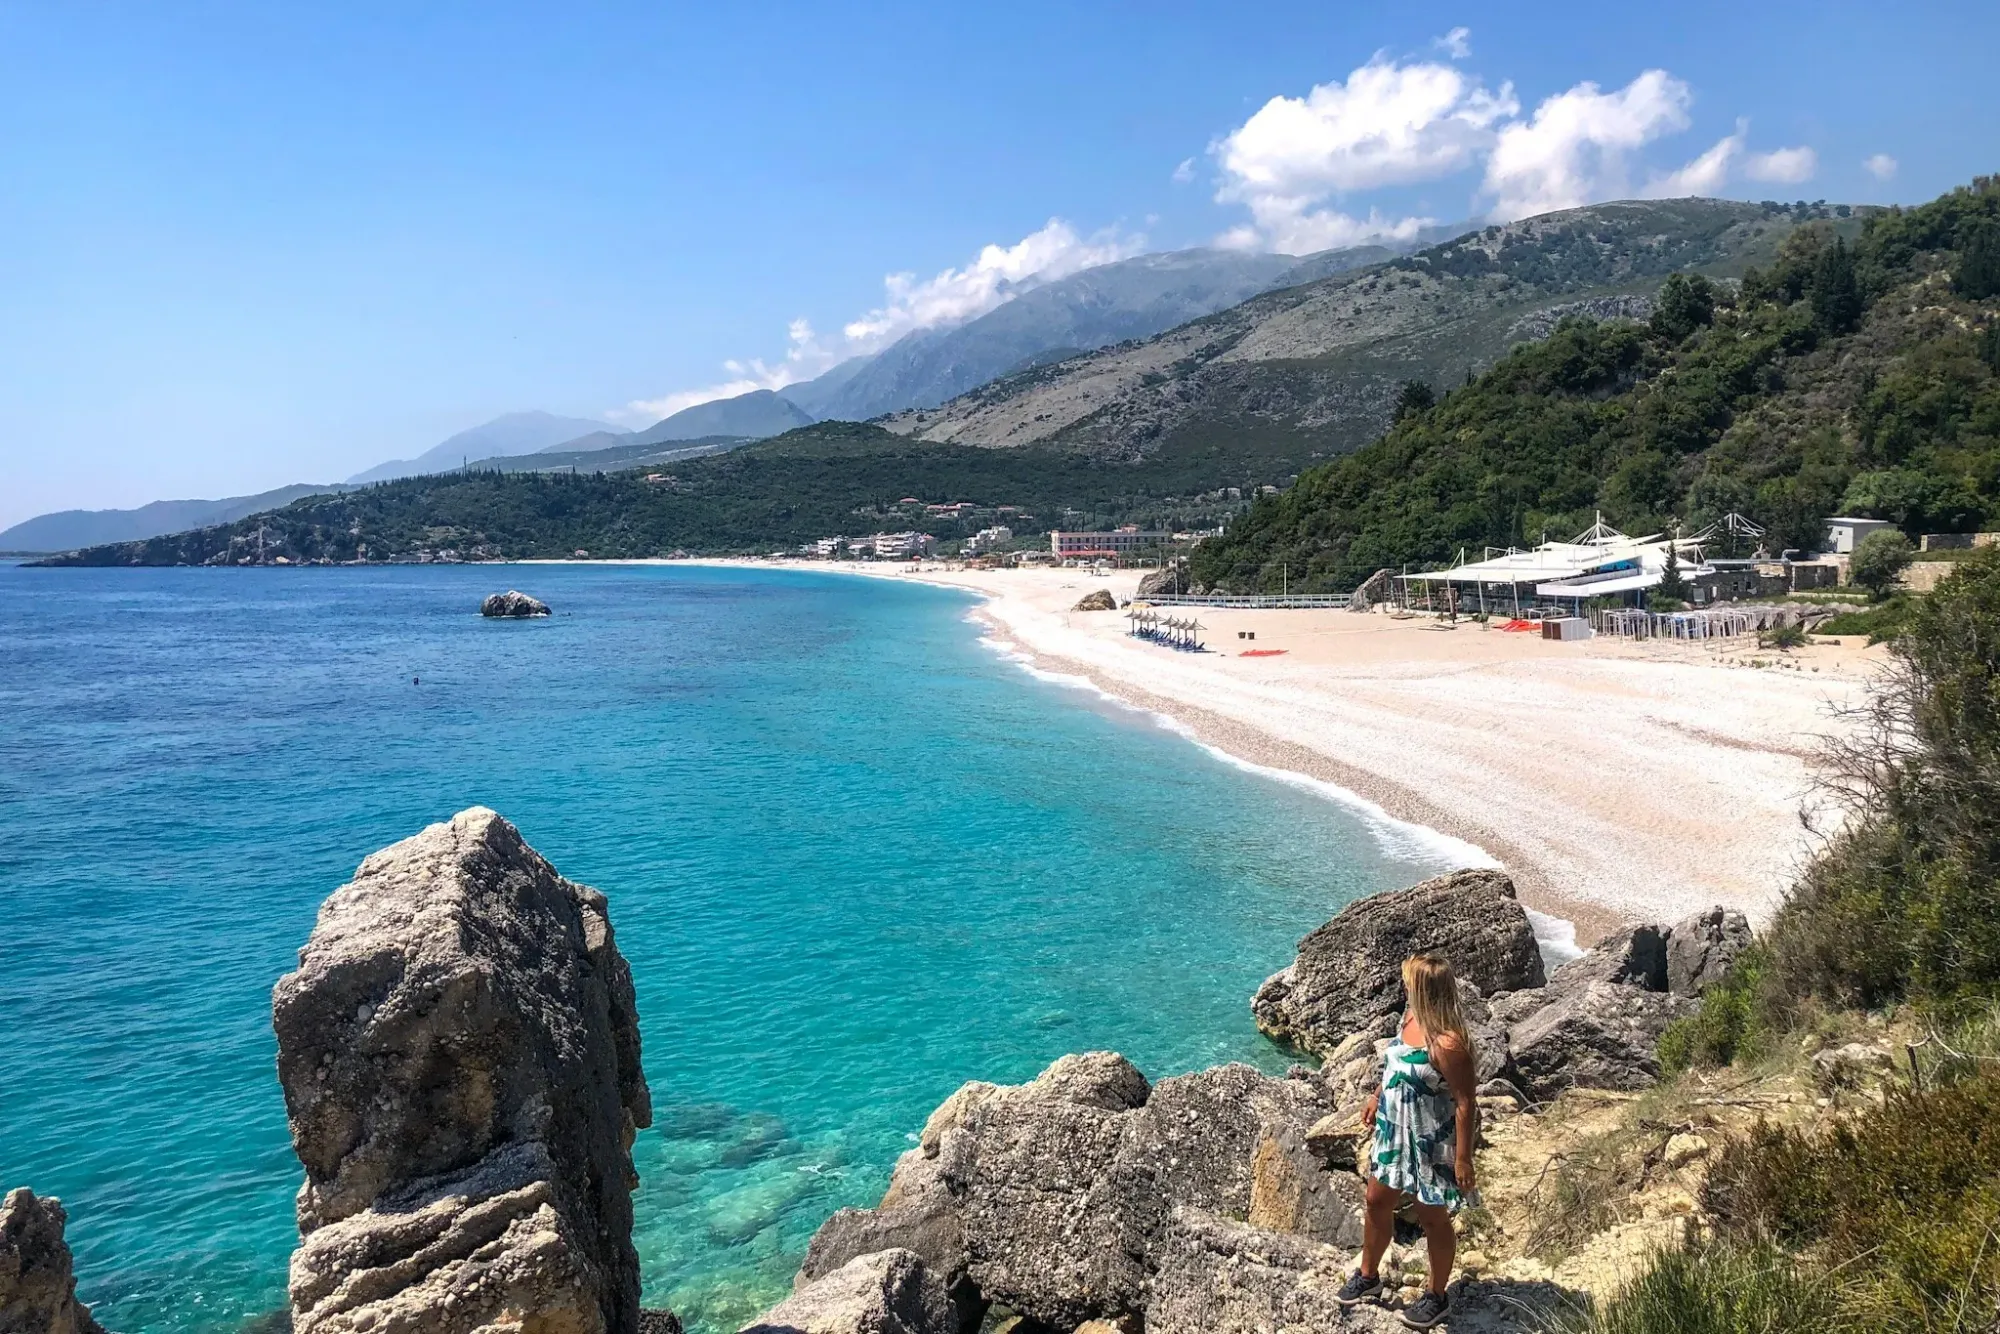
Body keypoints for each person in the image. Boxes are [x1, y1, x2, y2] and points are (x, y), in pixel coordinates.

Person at [1337, 953, 1481, 1329]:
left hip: (1429, 1140)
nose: (1403, 986)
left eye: (1408, 982)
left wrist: (1463, 1158)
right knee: (1375, 1200)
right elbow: (1394, 1063)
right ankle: (1368, 1276)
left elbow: (1466, 1102)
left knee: (1431, 1218)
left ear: (1425, 989)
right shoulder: (1410, 1017)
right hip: (1393, 1131)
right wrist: (1375, 1095)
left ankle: (1437, 1295)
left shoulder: (1448, 1043)